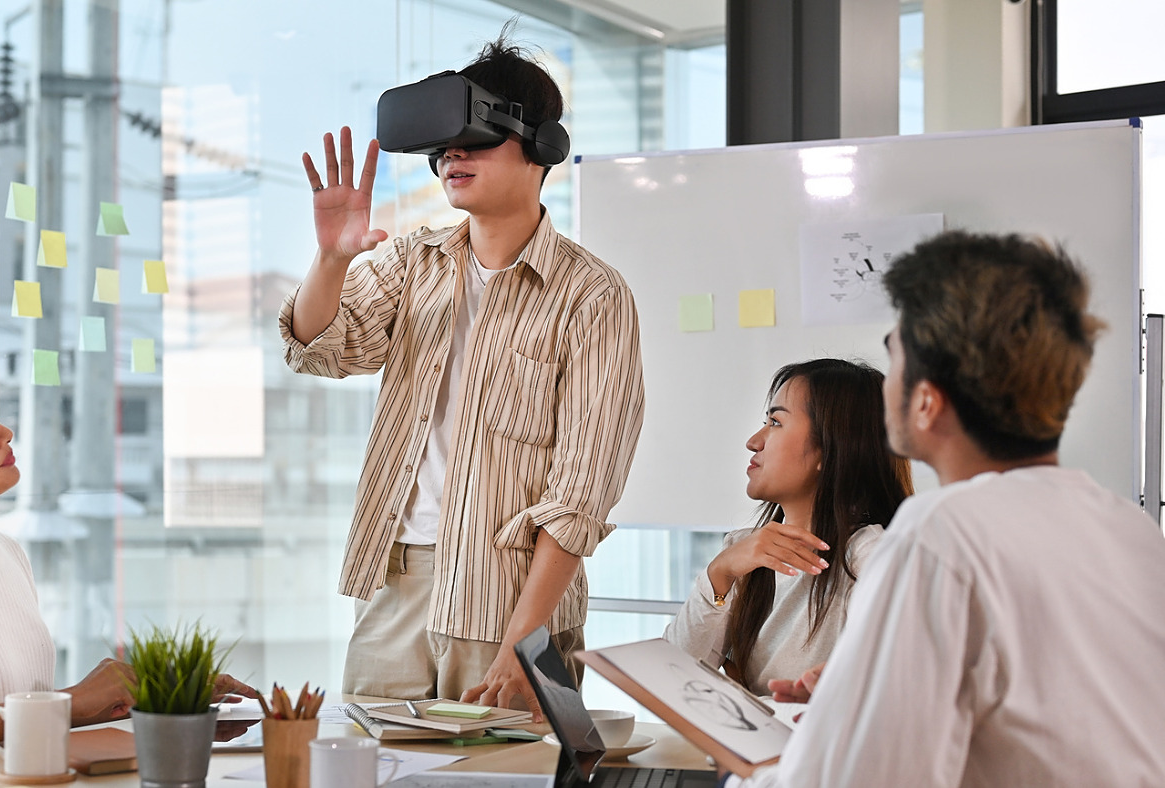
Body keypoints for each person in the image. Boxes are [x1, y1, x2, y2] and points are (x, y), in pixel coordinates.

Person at [280, 34, 644, 715]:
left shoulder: (593, 296)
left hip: (514, 601)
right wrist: (331, 259)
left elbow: (582, 495)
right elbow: (319, 349)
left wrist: (522, 641)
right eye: (443, 145)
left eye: (474, 138)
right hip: (398, 586)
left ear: (540, 147)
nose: (453, 156)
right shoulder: (414, 262)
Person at [729, 231, 1165, 787]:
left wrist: (749, 773)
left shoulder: (939, 537)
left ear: (927, 402)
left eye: (895, 356)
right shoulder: (1129, 529)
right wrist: (854, 705)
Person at [0, 363, 253, 759]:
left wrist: (168, 705)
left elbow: (22, 721)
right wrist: (68, 702)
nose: (5, 431)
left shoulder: (10, 555)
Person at [664, 359, 911, 695]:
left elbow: (890, 693)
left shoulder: (872, 556)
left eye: (776, 422)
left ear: (831, 448)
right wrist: (720, 573)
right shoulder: (744, 552)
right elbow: (671, 680)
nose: (754, 441)